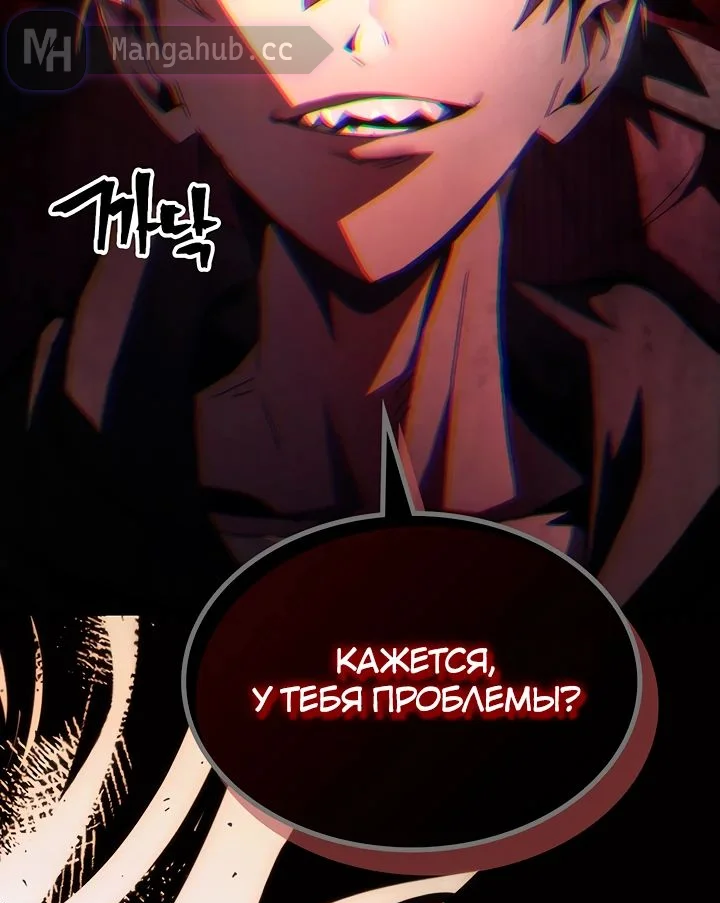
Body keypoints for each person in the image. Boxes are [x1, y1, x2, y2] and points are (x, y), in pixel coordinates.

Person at [1, 0, 718, 595]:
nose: (363, 37)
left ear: (590, 45)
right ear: (145, 47)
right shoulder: (52, 450)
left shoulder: (682, 456)